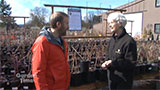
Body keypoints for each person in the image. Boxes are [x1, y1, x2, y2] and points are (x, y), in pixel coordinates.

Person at [32, 11, 70, 90]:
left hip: (63, 86)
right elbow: (38, 72)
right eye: (66, 23)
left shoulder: (62, 42)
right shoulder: (42, 43)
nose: (68, 27)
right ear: (58, 24)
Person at [101, 12, 137, 90]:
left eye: (111, 23)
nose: (109, 25)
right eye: (109, 23)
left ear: (120, 23)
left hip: (123, 82)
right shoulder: (112, 40)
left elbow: (131, 63)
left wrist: (113, 63)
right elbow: (109, 57)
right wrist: (106, 62)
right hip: (112, 80)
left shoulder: (128, 41)